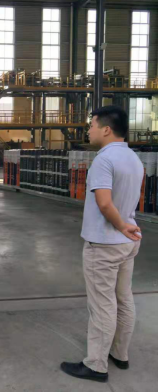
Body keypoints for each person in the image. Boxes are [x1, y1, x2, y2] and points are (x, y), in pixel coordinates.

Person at [61, 106, 144, 383]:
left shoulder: (104, 159)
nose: (89, 130)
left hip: (105, 243)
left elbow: (105, 203)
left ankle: (96, 365)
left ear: (106, 129)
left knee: (102, 305)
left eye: (92, 125)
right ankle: (120, 353)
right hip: (128, 242)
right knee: (123, 298)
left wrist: (120, 225)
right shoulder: (133, 158)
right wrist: (126, 227)